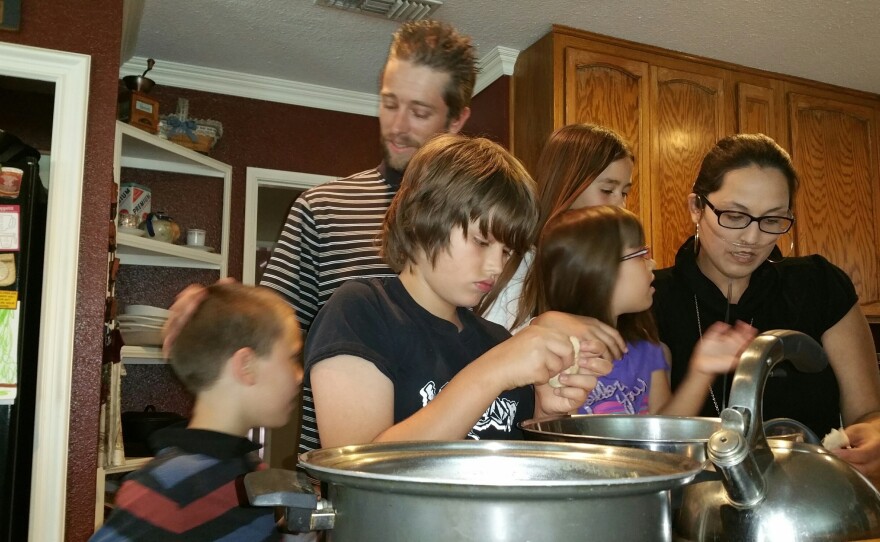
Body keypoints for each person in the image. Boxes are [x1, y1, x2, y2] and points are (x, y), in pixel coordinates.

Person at [299, 133, 613, 452]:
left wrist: (545, 414)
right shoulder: (361, 312)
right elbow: (357, 468)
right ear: (420, 220)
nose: (496, 266)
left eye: (507, 251)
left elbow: (521, 466)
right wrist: (493, 371)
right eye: (481, 241)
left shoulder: (496, 340)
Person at [652, 133, 880, 484]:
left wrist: (874, 433)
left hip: (812, 497)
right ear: (696, 207)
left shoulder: (819, 285)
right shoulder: (652, 298)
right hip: (692, 506)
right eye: (734, 216)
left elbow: (868, 412)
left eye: (772, 220)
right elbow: (649, 445)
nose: (752, 238)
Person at [259, 19, 476, 335]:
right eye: (389, 104)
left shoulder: (483, 223)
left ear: (456, 120)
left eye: (419, 112)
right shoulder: (320, 210)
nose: (397, 127)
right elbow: (267, 343)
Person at [93, 284, 304, 542]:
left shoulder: (249, 470)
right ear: (246, 366)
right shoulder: (167, 487)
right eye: (291, 357)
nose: (299, 375)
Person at [534, 205, 755, 415]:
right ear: (597, 269)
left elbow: (664, 430)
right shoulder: (559, 347)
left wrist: (702, 372)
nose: (653, 264)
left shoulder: (647, 348)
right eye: (641, 254)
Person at [479, 123, 634, 333]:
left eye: (624, 193)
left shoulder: (598, 270)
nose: (620, 206)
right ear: (568, 184)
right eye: (607, 190)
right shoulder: (518, 265)